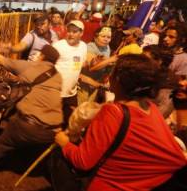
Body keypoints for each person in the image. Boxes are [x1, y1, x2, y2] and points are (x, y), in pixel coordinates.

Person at [54, 54, 187, 191]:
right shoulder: (150, 108)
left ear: (117, 79)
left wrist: (64, 143)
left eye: (112, 71)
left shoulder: (113, 112)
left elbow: (83, 161)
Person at [0, 45, 63, 169]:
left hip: (28, 127)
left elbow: (0, 59)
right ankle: (26, 154)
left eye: (39, 54)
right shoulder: (58, 76)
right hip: (53, 132)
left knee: (5, 141)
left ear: (42, 56)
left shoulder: (31, 66)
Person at [53, 20, 87, 127]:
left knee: (69, 122)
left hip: (71, 93)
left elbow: (80, 64)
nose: (71, 34)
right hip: (56, 93)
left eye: (75, 31)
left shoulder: (83, 46)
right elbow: (45, 64)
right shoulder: (58, 45)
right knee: (53, 122)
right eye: (69, 31)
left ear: (81, 33)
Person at [78, 26, 116, 104]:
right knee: (81, 108)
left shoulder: (107, 48)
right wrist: (109, 60)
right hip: (84, 83)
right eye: (103, 36)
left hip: (96, 83)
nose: (106, 39)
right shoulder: (90, 47)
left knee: (89, 107)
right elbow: (92, 68)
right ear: (96, 37)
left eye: (108, 37)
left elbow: (105, 65)